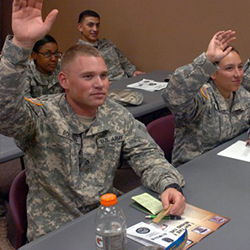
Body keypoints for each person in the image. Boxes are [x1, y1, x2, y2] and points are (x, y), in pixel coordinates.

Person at [0, 0, 185, 242]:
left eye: (104, 76)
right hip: (56, 229)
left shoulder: (116, 115)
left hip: (105, 217)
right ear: (64, 81)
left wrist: (169, 184)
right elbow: (5, 109)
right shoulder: (42, 115)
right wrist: (21, 46)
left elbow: (146, 154)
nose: (100, 84)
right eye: (88, 76)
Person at [162, 30, 250, 167]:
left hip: (228, 162)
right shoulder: (201, 98)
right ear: (213, 73)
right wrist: (207, 60)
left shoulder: (242, 95)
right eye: (229, 69)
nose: (238, 74)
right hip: (195, 167)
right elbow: (174, 96)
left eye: (240, 67)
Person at [77, 10, 145, 82]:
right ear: (80, 27)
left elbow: (123, 61)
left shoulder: (107, 44)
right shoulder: (77, 53)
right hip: (105, 89)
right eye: (90, 25)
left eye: (97, 25)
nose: (95, 29)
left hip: (126, 82)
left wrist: (133, 72)